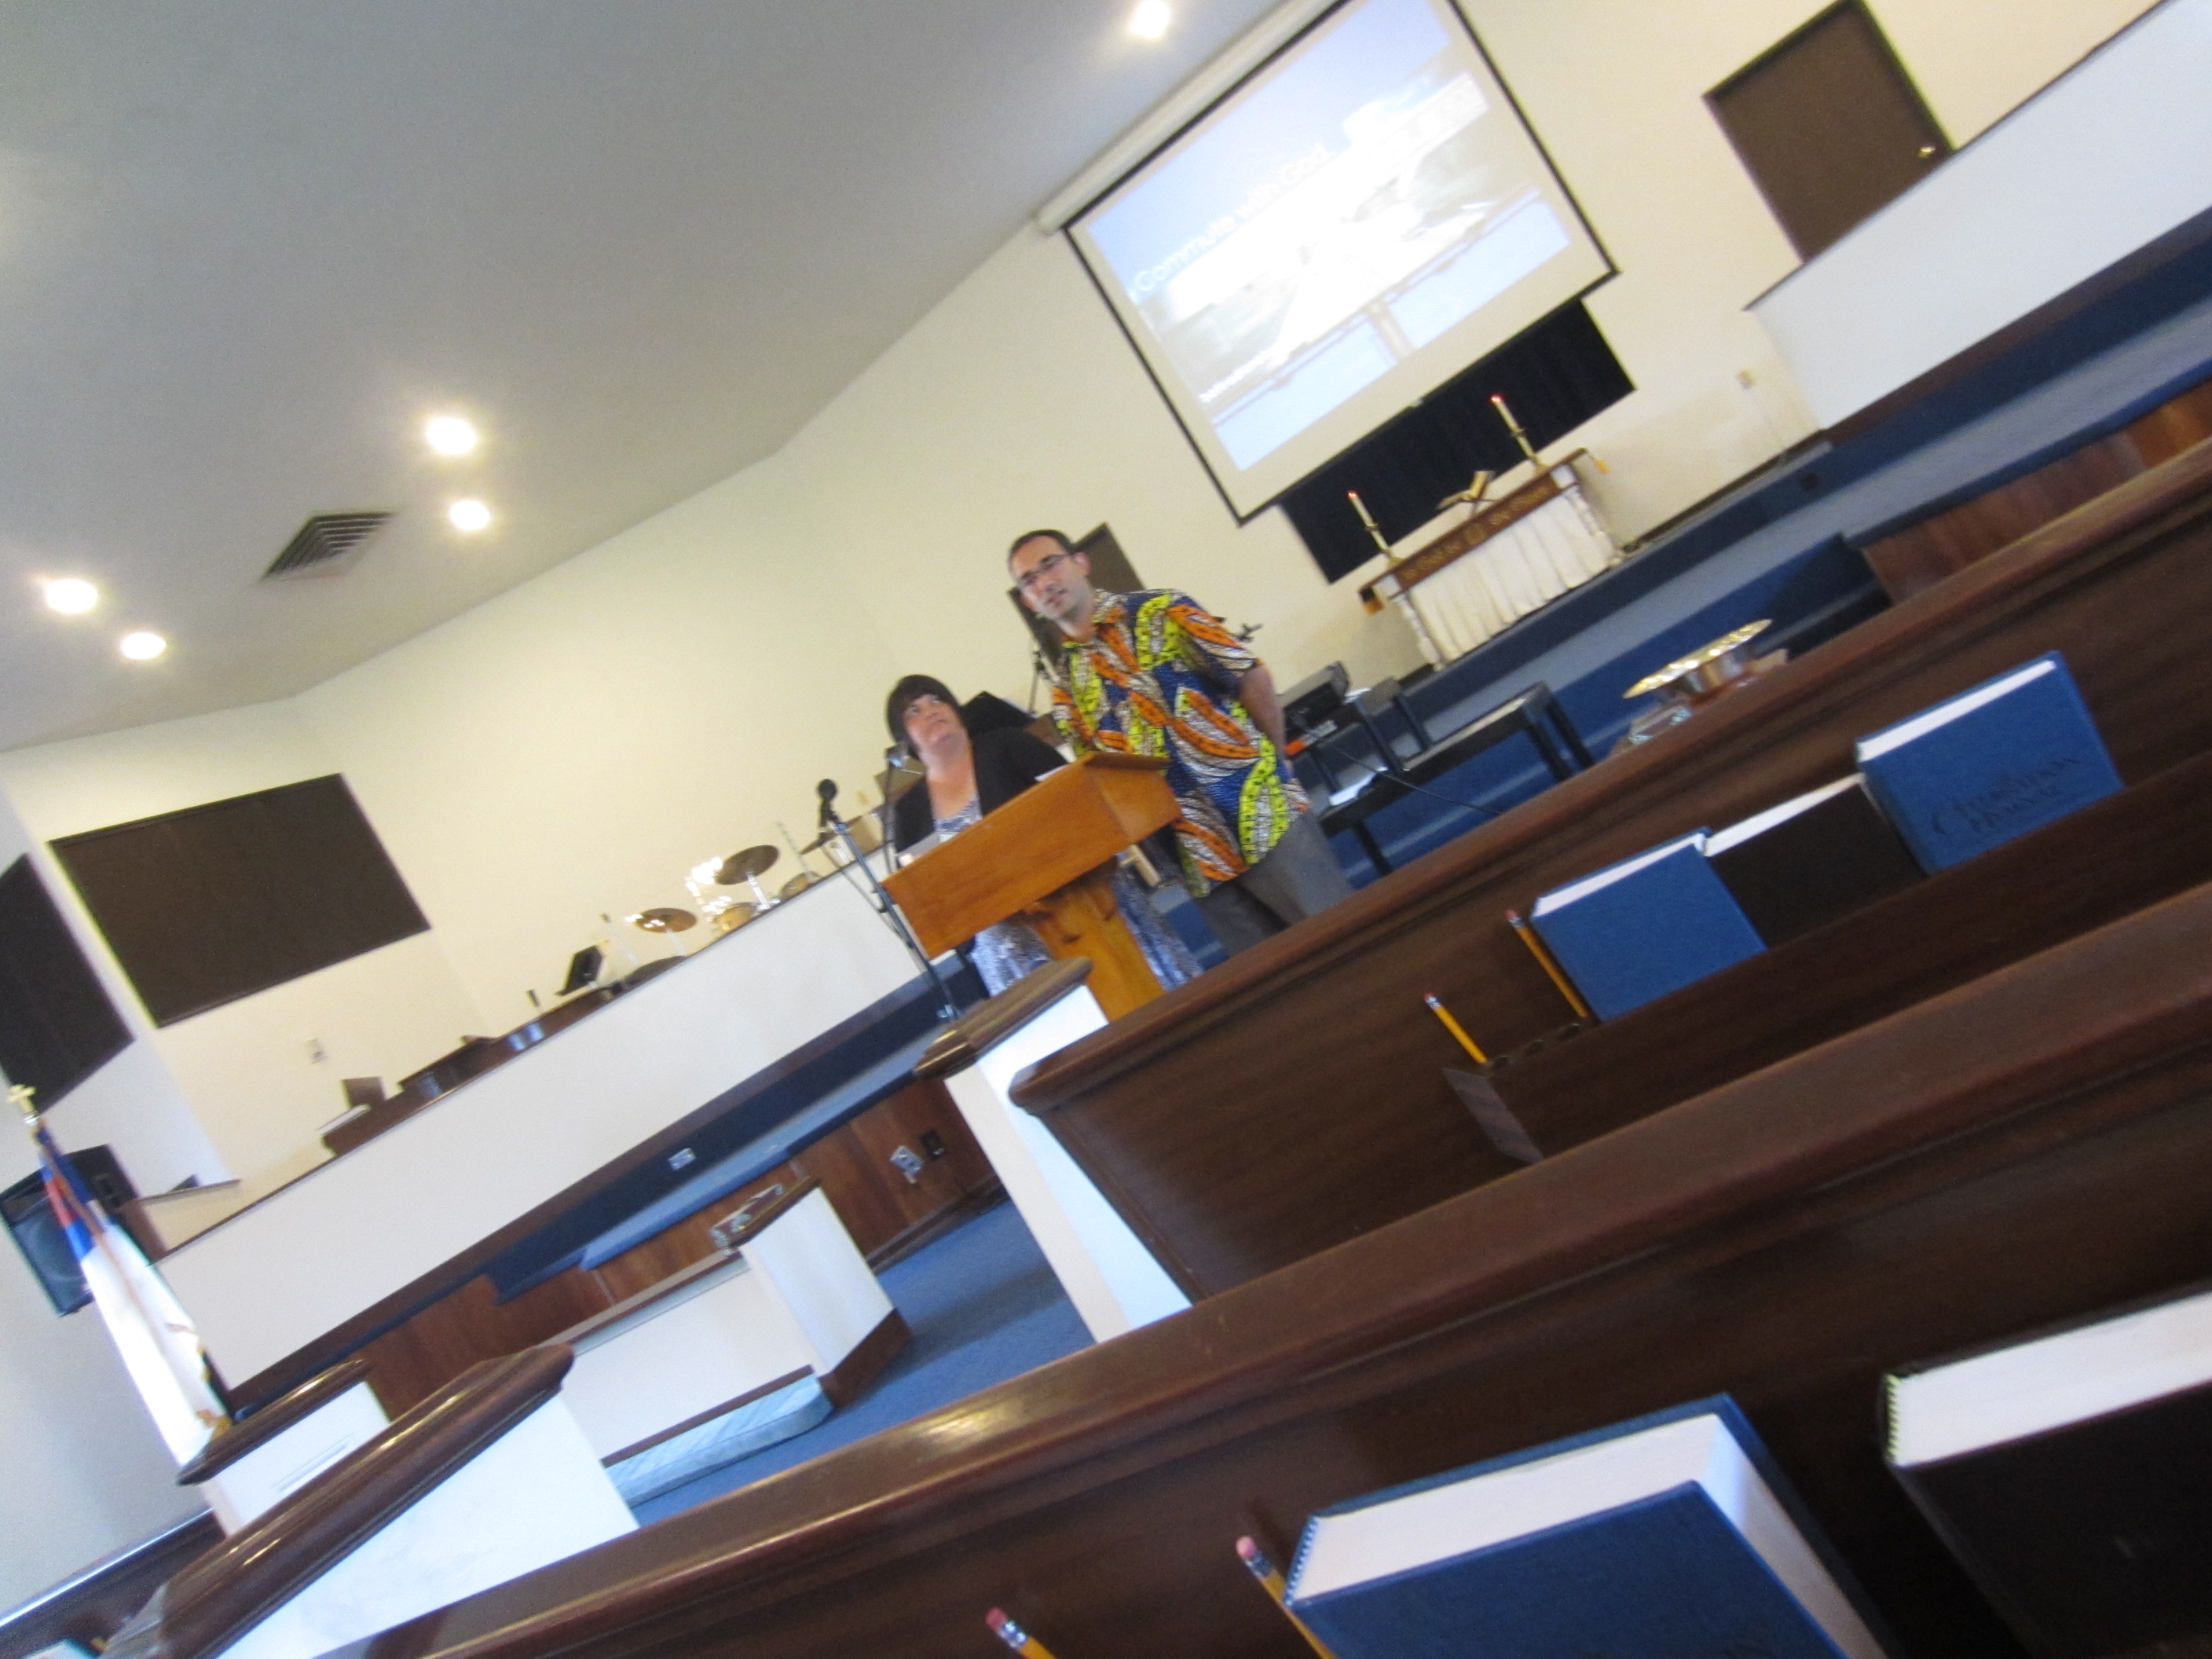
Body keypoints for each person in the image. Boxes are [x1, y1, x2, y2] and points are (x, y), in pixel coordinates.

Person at [1006, 529, 1356, 954]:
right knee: (1279, 978)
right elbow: (1107, 782)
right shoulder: (1066, 689)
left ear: (1081, 563)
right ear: (1028, 602)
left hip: (1261, 814)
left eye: (1050, 565)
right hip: (1193, 856)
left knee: (1340, 942)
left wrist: (1274, 760)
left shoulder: (1161, 611)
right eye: (1030, 580)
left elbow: (1251, 677)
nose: (1044, 583)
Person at [883, 675, 1196, 996]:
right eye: (914, 711)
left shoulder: (1009, 745)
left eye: (937, 700)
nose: (931, 711)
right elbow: (928, 895)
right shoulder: (910, 812)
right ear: (903, 738)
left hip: (1087, 903)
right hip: (1011, 950)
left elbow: (1079, 801)